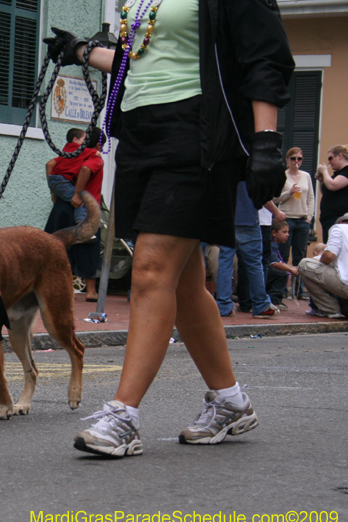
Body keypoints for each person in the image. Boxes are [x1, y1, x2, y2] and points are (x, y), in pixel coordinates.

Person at [45, 0, 294, 457]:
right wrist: (81, 51)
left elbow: (265, 57)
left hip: (197, 131)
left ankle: (123, 415)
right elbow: (135, 59)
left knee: (150, 270)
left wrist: (266, 141)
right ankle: (230, 401)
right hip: (141, 134)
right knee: (180, 282)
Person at [45, 127, 106, 302]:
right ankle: (91, 291)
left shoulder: (73, 154)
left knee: (58, 246)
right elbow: (87, 169)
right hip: (84, 204)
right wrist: (79, 193)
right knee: (89, 246)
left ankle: (56, 287)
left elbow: (50, 164)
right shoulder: (94, 156)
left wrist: (54, 193)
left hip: (64, 206)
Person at [215, 183, 279, 319]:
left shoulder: (223, 164)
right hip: (248, 219)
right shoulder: (250, 166)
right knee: (255, 264)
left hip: (227, 218)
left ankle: (223, 305)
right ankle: (261, 304)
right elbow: (262, 195)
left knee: (225, 262)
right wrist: (277, 212)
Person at [274, 147, 314, 299]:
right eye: (293, 158)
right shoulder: (282, 176)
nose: (296, 161)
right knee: (283, 254)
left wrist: (309, 217)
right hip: (287, 219)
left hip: (302, 220)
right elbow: (275, 199)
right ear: (287, 160)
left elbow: (311, 198)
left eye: (299, 159)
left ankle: (298, 290)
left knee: (300, 255)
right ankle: (282, 289)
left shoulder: (306, 176)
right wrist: (288, 193)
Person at [298, 214, 348, 319]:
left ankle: (331, 309)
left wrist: (323, 262)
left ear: (342, 222)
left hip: (345, 285)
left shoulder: (339, 228)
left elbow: (329, 256)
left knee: (305, 264)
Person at [316, 145, 348, 238]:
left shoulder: (346, 172)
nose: (329, 162)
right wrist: (321, 180)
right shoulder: (336, 175)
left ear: (340, 156)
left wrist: (325, 171)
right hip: (328, 219)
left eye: (331, 158)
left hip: (339, 219)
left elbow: (333, 185)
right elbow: (325, 192)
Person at [266, 220, 298, 309]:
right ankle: (274, 300)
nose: (287, 235)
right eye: (284, 232)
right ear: (274, 233)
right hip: (264, 272)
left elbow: (279, 262)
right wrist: (290, 269)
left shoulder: (275, 244)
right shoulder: (271, 244)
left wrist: (292, 267)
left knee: (282, 271)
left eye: (288, 232)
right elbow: (275, 263)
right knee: (282, 273)